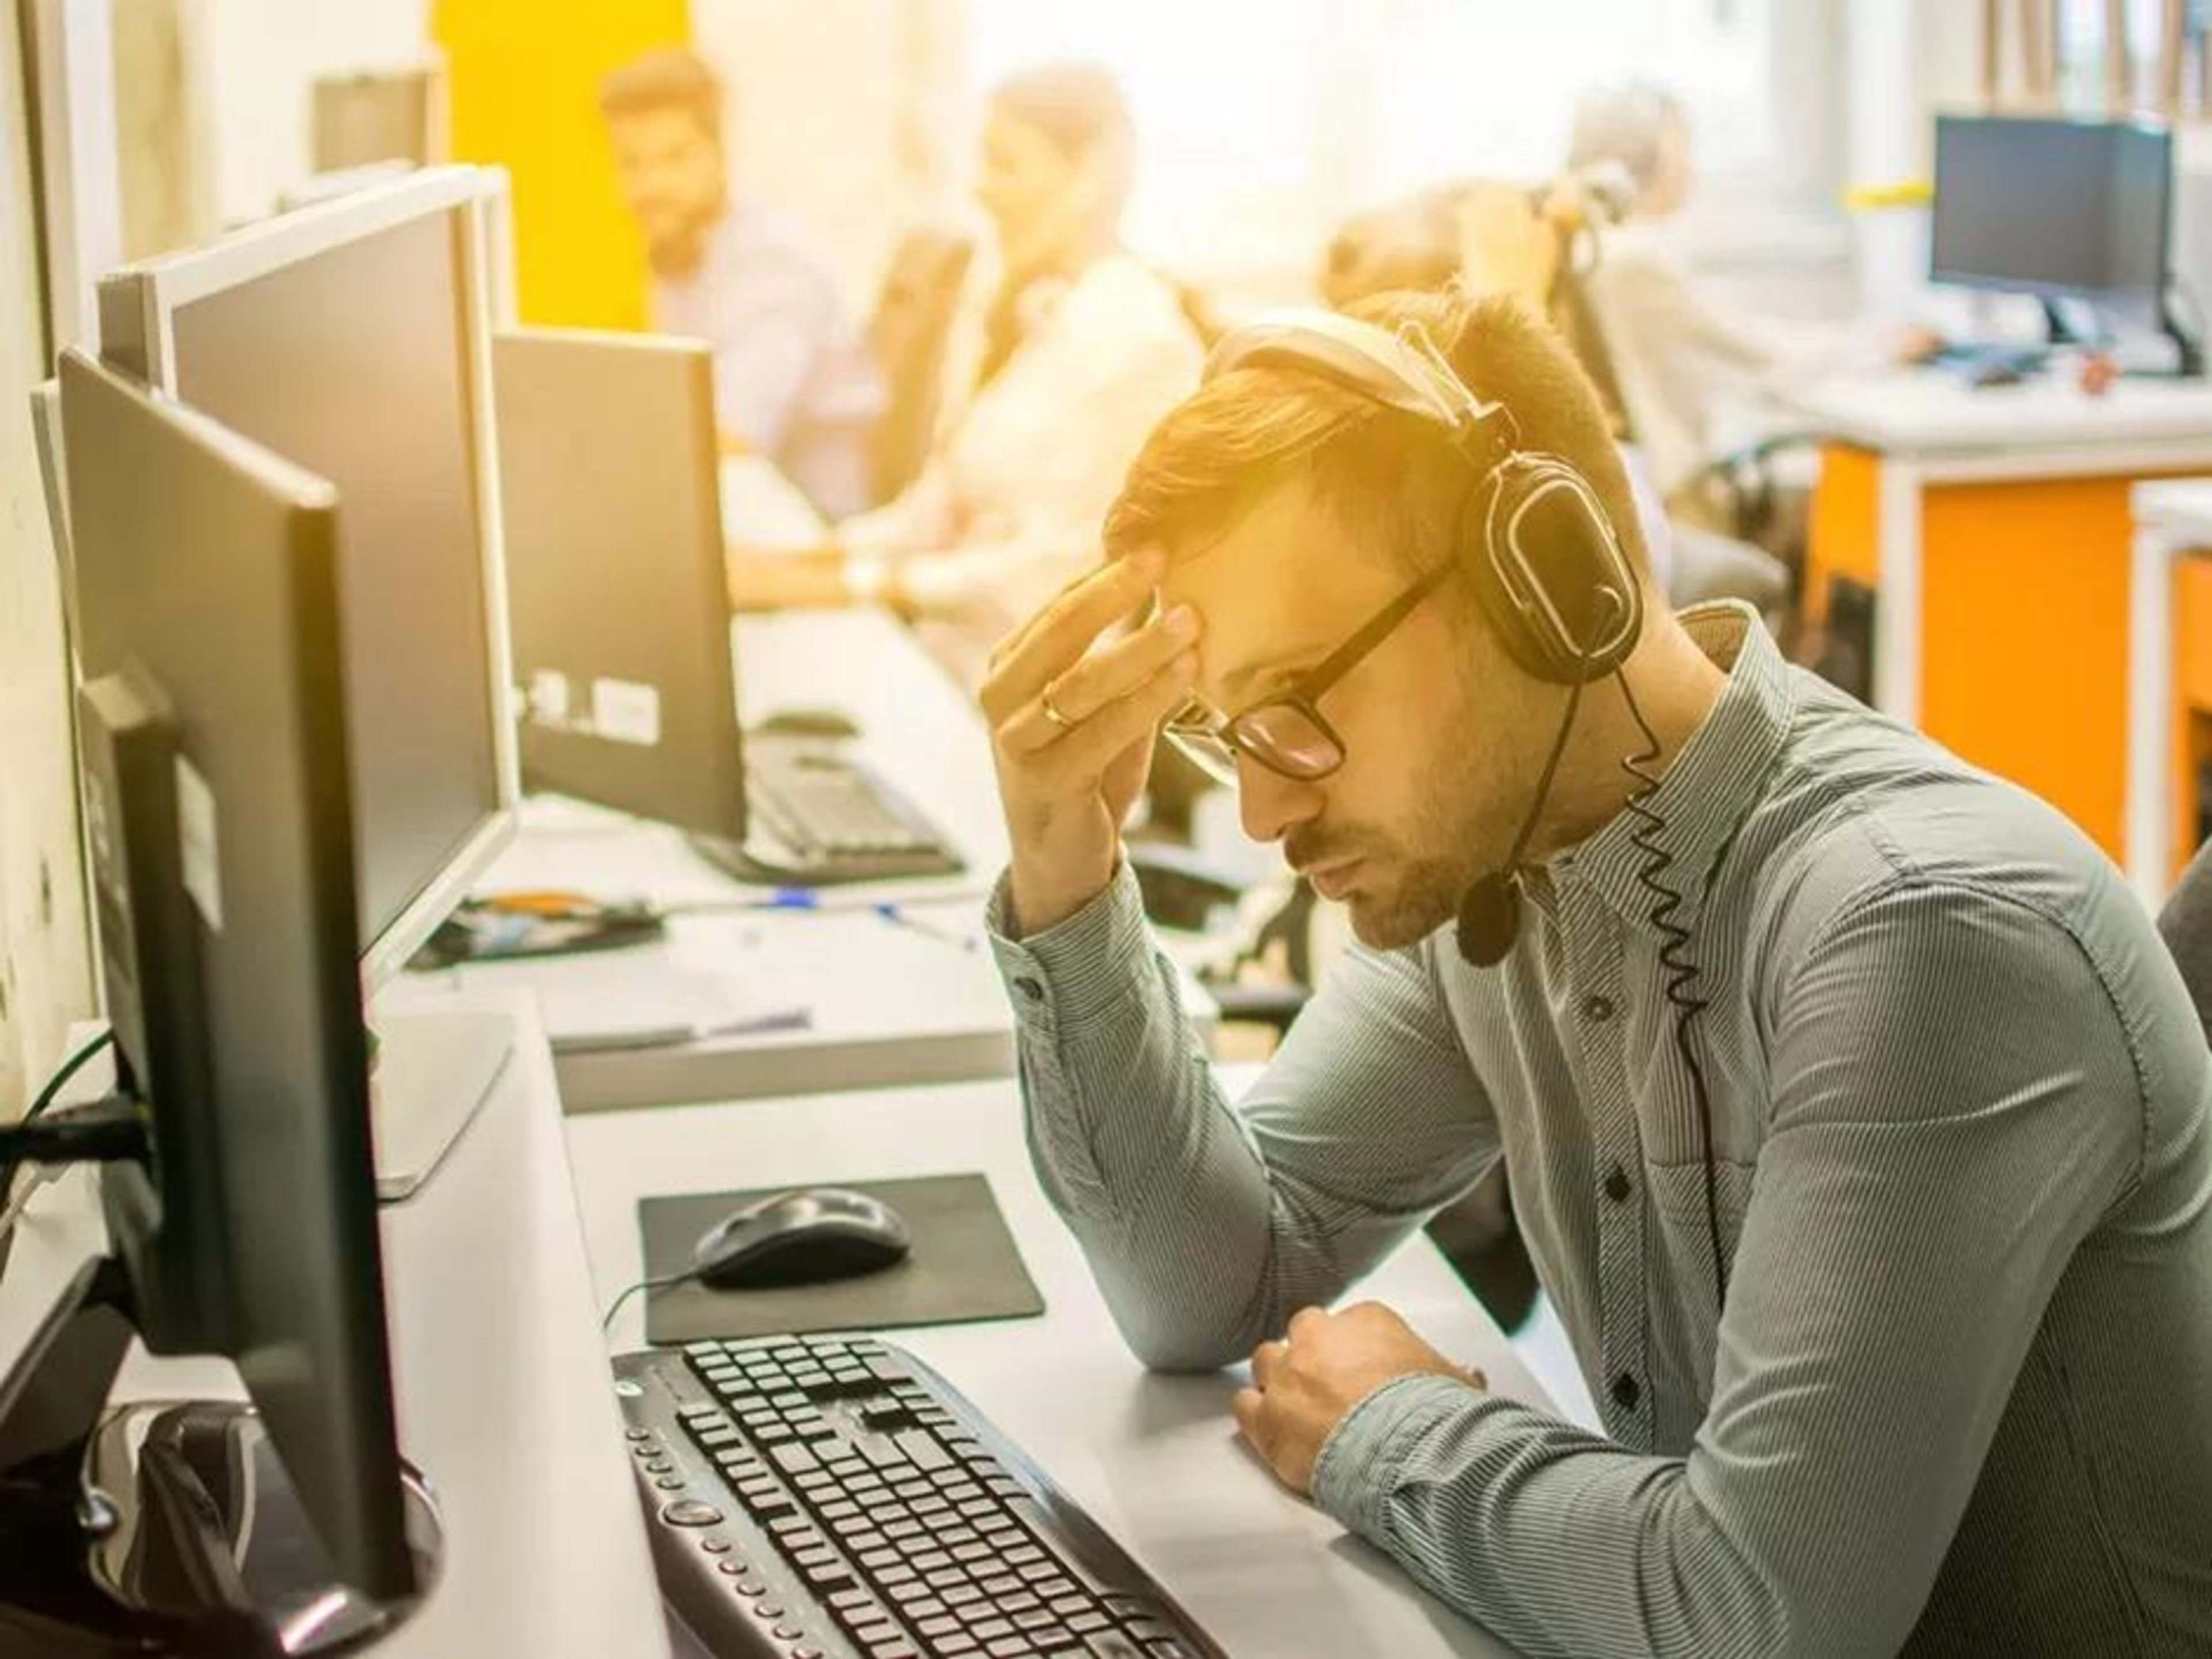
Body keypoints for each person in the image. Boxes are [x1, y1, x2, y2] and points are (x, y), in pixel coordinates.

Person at [974, 286, 2212, 1654]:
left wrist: (1388, 1426)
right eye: (1228, 735)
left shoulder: (1919, 933)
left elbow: (1750, 1617)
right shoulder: (1495, 876)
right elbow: (1210, 1284)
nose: (1263, 817)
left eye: (1291, 710)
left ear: (1544, 581)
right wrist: (1060, 867)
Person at [728, 62, 1206, 689]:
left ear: (1092, 176)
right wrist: (804, 562)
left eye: (1004, 164)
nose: (980, 188)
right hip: (938, 655)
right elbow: (940, 505)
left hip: (1030, 695)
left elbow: (1058, 570)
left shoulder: (1137, 341)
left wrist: (845, 585)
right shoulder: (1019, 306)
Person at [1566, 82, 1935, 517]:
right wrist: (1883, 346)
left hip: (1639, 487)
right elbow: (1763, 355)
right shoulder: (1634, 261)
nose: (1690, 169)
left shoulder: (1590, 245)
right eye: (1683, 149)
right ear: (1647, 161)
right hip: (1674, 500)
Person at [601, 46, 884, 520]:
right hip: (746, 506)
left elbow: (731, 439)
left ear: (719, 153)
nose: (650, 185)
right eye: (632, 163)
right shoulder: (680, 247)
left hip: (813, 525)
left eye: (675, 158)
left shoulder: (770, 267)